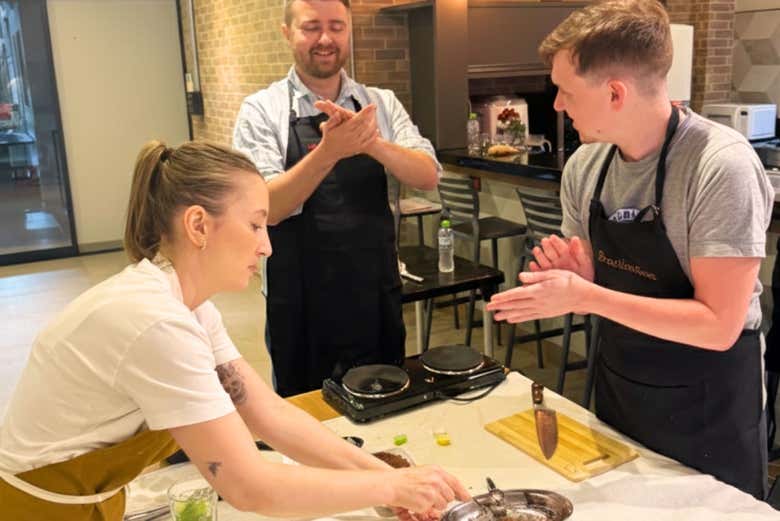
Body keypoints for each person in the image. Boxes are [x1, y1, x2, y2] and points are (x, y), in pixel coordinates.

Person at [0, 140, 468, 520]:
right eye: (255, 225)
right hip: (36, 509)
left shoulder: (188, 307)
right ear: (199, 225)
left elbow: (269, 416)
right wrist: (388, 485)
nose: (267, 247)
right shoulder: (154, 320)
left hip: (92, 497)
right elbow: (247, 486)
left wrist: (388, 480)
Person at [487, 0, 773, 499]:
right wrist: (584, 275)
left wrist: (586, 297)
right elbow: (605, 284)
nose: (556, 104)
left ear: (615, 93)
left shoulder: (720, 167)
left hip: (708, 407)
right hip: (622, 383)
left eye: (566, 90)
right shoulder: (587, 166)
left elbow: (719, 326)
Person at [233, 0, 440, 397]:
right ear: (286, 32)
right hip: (300, 303)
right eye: (311, 27)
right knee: (309, 415)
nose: (325, 39)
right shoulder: (262, 110)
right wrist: (329, 151)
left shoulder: (379, 102)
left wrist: (372, 142)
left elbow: (427, 175)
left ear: (350, 31)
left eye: (336, 26)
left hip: (374, 294)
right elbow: (269, 210)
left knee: (384, 406)